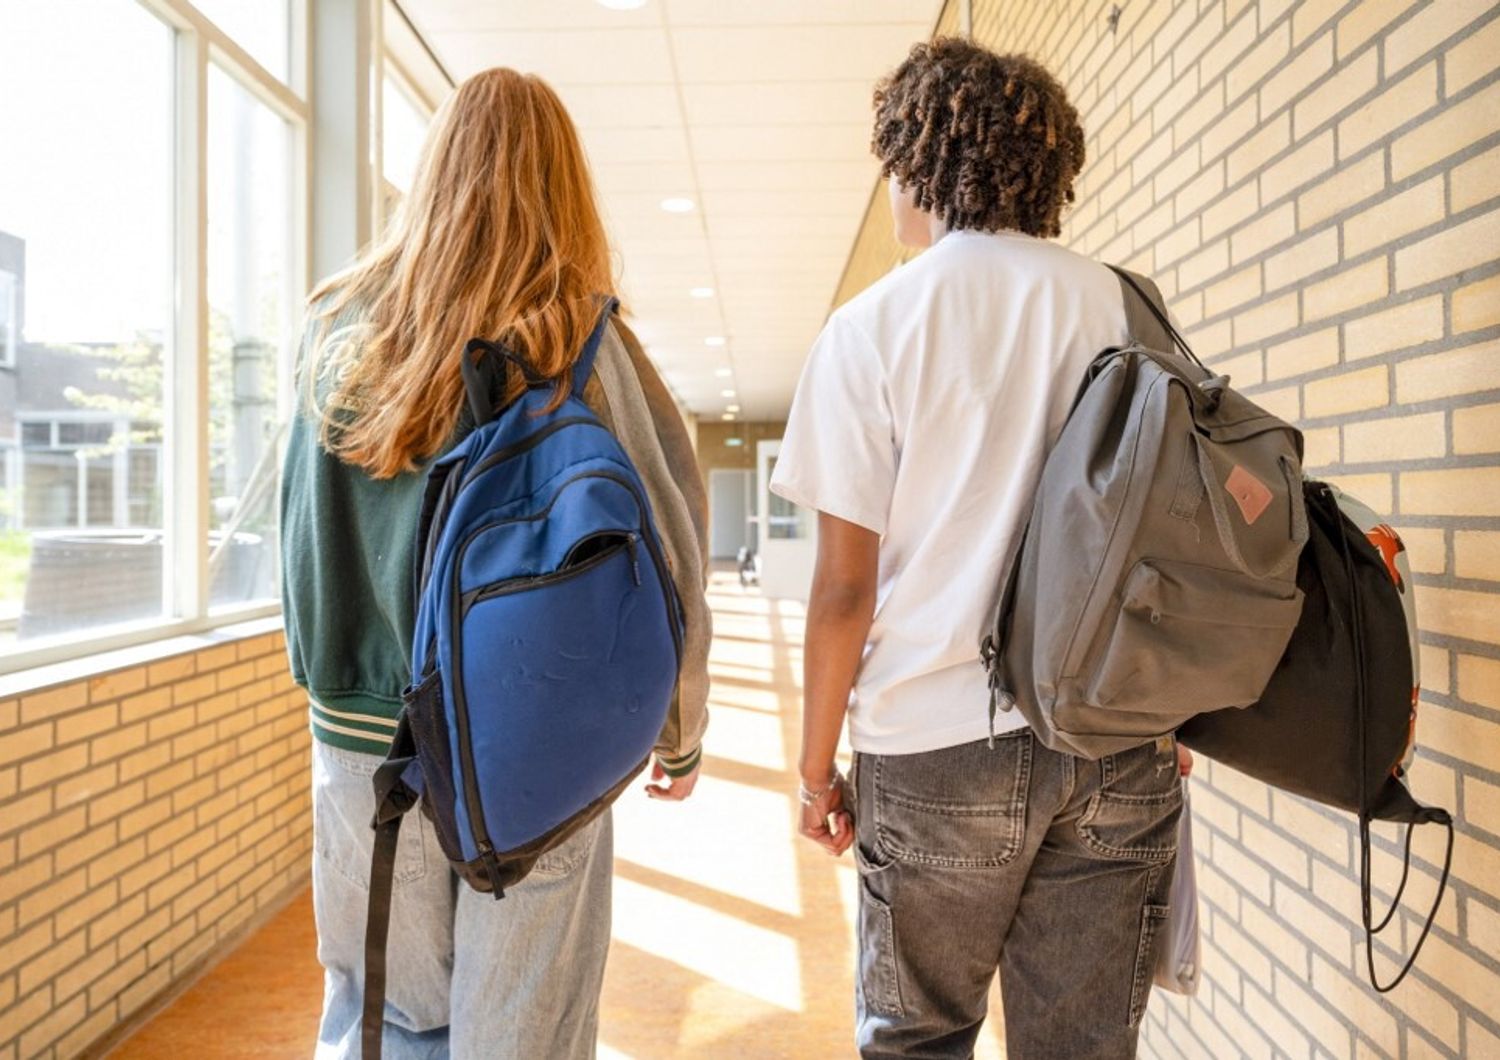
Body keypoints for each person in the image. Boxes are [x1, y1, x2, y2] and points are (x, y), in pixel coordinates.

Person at [770, 39, 1193, 1059]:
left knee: (918, 1038)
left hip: (933, 741)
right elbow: (1183, 527)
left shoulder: (873, 328)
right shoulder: (1129, 307)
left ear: (919, 162)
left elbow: (842, 591)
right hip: (1115, 729)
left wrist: (817, 768)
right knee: (1084, 1047)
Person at [279, 67, 711, 1059]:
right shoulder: (584, 345)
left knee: (379, 1010)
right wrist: (679, 732)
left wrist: (339, 687)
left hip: (358, 744)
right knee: (522, 1033)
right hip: (536, 735)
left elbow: (299, 542)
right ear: (566, 185)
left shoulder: (335, 333)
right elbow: (671, 549)